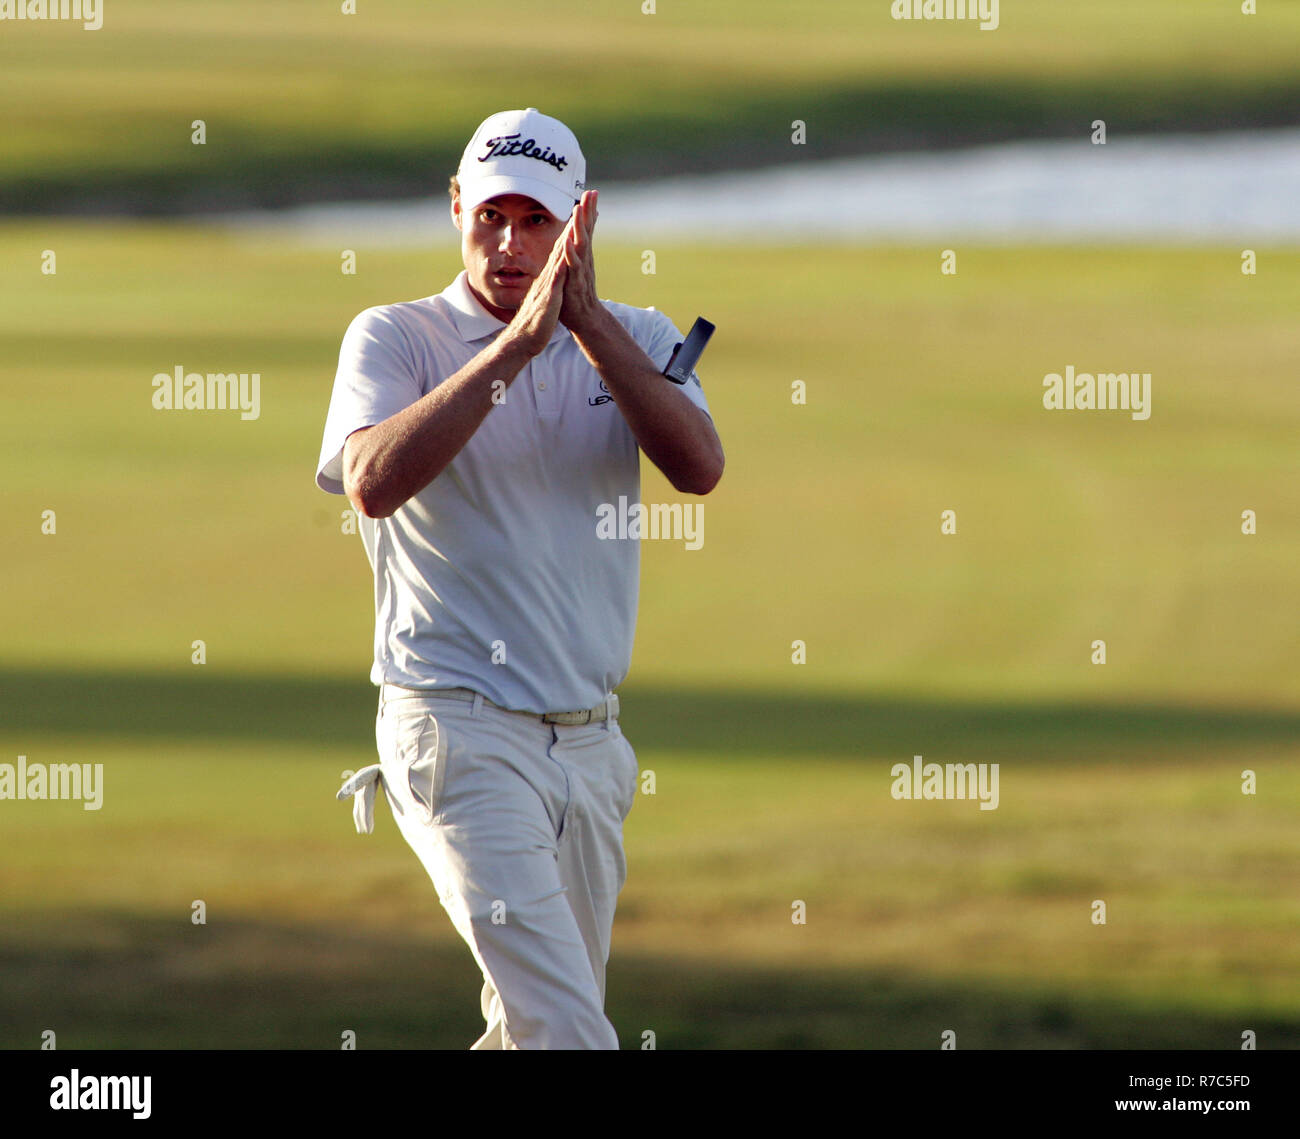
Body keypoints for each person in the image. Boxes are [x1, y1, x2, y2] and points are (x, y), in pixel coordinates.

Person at [316, 108, 724, 1049]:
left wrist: (581, 326)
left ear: (577, 226)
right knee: (571, 1034)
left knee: (528, 1030)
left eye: (536, 222)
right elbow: (372, 482)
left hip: (590, 742)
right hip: (454, 731)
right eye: (490, 215)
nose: (508, 244)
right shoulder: (395, 338)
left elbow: (697, 464)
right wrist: (512, 347)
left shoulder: (638, 334)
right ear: (455, 205)